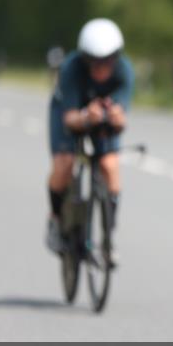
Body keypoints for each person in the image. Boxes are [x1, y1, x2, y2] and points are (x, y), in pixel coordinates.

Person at [44, 18, 134, 260]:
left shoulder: (125, 71)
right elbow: (69, 118)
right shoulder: (71, 69)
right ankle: (55, 219)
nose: (100, 68)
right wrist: (86, 116)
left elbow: (123, 117)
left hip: (102, 119)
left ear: (116, 58)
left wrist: (116, 118)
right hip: (70, 113)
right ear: (84, 58)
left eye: (107, 61)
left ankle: (108, 236)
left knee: (109, 165)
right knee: (64, 163)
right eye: (93, 62)